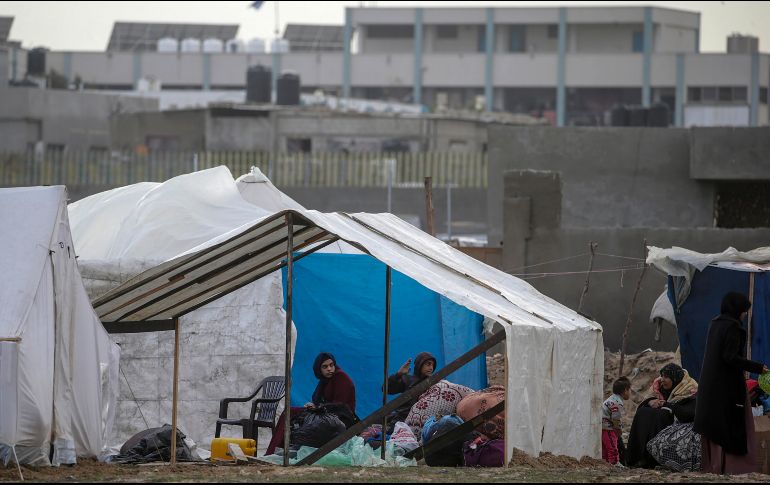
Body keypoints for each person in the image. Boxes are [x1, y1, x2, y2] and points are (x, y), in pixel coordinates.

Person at [694, 292, 769, 475]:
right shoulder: (734, 327)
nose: (744, 314)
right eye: (744, 311)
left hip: (710, 386)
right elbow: (730, 357)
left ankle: (713, 466)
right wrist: (759, 368)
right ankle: (730, 467)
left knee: (715, 427)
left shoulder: (716, 323)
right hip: (726, 387)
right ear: (738, 310)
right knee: (730, 427)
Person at [265, 352, 357, 456]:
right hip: (327, 415)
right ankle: (277, 450)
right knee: (290, 412)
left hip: (341, 420)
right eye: (325, 366)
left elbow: (341, 407)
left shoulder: (341, 378)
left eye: (332, 365)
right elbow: (319, 400)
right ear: (319, 369)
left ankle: (275, 452)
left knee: (293, 413)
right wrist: (313, 405)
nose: (329, 369)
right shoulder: (325, 380)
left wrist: (318, 407)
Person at [626, 363, 698, 468]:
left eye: (666, 377)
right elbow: (647, 399)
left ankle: (655, 459)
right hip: (663, 424)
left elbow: (690, 414)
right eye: (662, 376)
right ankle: (638, 457)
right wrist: (651, 401)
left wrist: (668, 405)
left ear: (675, 378)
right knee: (644, 412)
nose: (662, 379)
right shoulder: (658, 387)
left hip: (682, 429)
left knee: (661, 415)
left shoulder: (689, 389)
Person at [385, 352, 437, 423]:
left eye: (433, 365)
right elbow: (386, 389)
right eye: (428, 364)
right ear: (420, 364)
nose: (431, 368)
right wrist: (398, 374)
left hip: (424, 422)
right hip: (402, 421)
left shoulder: (434, 384)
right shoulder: (407, 380)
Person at [602, 377, 631, 465]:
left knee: (605, 447)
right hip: (608, 428)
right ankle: (615, 463)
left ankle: (606, 463)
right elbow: (616, 418)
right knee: (612, 447)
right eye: (629, 390)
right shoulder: (618, 403)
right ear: (625, 390)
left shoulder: (611, 398)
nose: (630, 393)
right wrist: (618, 429)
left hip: (602, 426)